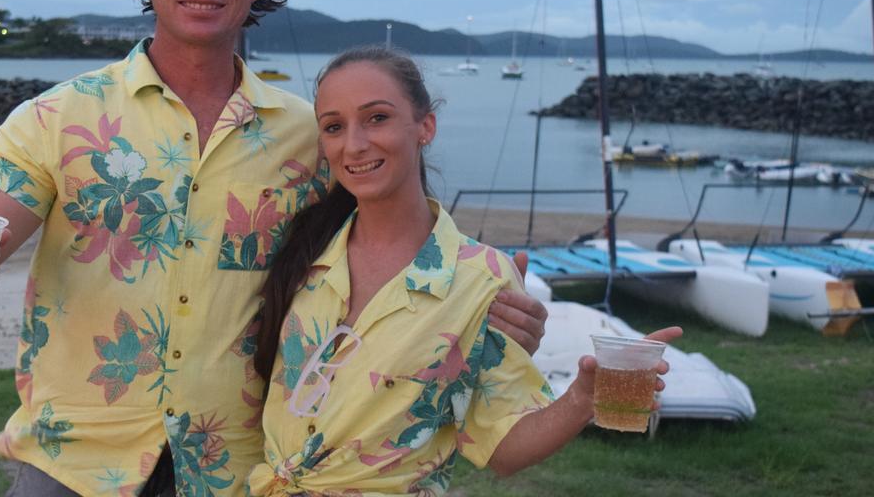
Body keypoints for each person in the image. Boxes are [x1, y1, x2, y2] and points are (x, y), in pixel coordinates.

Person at [0, 0, 548, 496]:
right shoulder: (56, 118)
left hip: (234, 470)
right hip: (73, 465)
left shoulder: (312, 137)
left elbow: (399, 247)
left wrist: (484, 309)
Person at [246, 46, 681, 496]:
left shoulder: (483, 279)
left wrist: (582, 399)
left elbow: (503, 447)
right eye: (334, 127)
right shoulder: (303, 251)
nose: (354, 144)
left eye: (377, 118)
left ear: (425, 126)